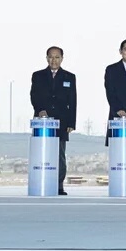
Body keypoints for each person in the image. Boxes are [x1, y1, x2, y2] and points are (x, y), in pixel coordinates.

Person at [30, 46, 77, 195]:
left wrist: (71, 123)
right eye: (51, 57)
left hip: (62, 122)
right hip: (42, 121)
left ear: (62, 59)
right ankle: (41, 182)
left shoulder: (69, 77)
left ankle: (59, 185)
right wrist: (40, 110)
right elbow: (34, 96)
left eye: (57, 57)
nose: (54, 60)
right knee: (41, 153)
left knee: (59, 155)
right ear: (46, 58)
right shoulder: (38, 76)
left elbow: (73, 101)